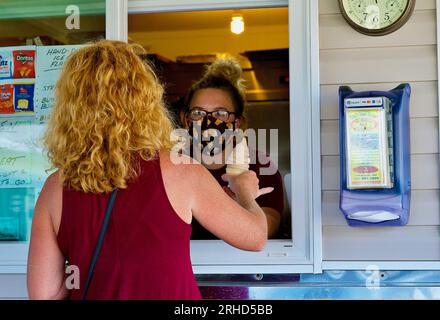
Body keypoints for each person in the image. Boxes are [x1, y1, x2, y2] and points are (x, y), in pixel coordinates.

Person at [27, 40, 270, 300]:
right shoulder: (182, 172)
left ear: (70, 106)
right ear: (144, 99)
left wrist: (87, 264)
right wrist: (244, 191)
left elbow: (45, 294)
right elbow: (255, 238)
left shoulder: (55, 189)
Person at [180, 58, 284, 239]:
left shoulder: (261, 166)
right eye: (198, 112)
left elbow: (267, 229)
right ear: (186, 120)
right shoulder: (171, 166)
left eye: (221, 113)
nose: (208, 121)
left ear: (237, 122)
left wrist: (245, 200)